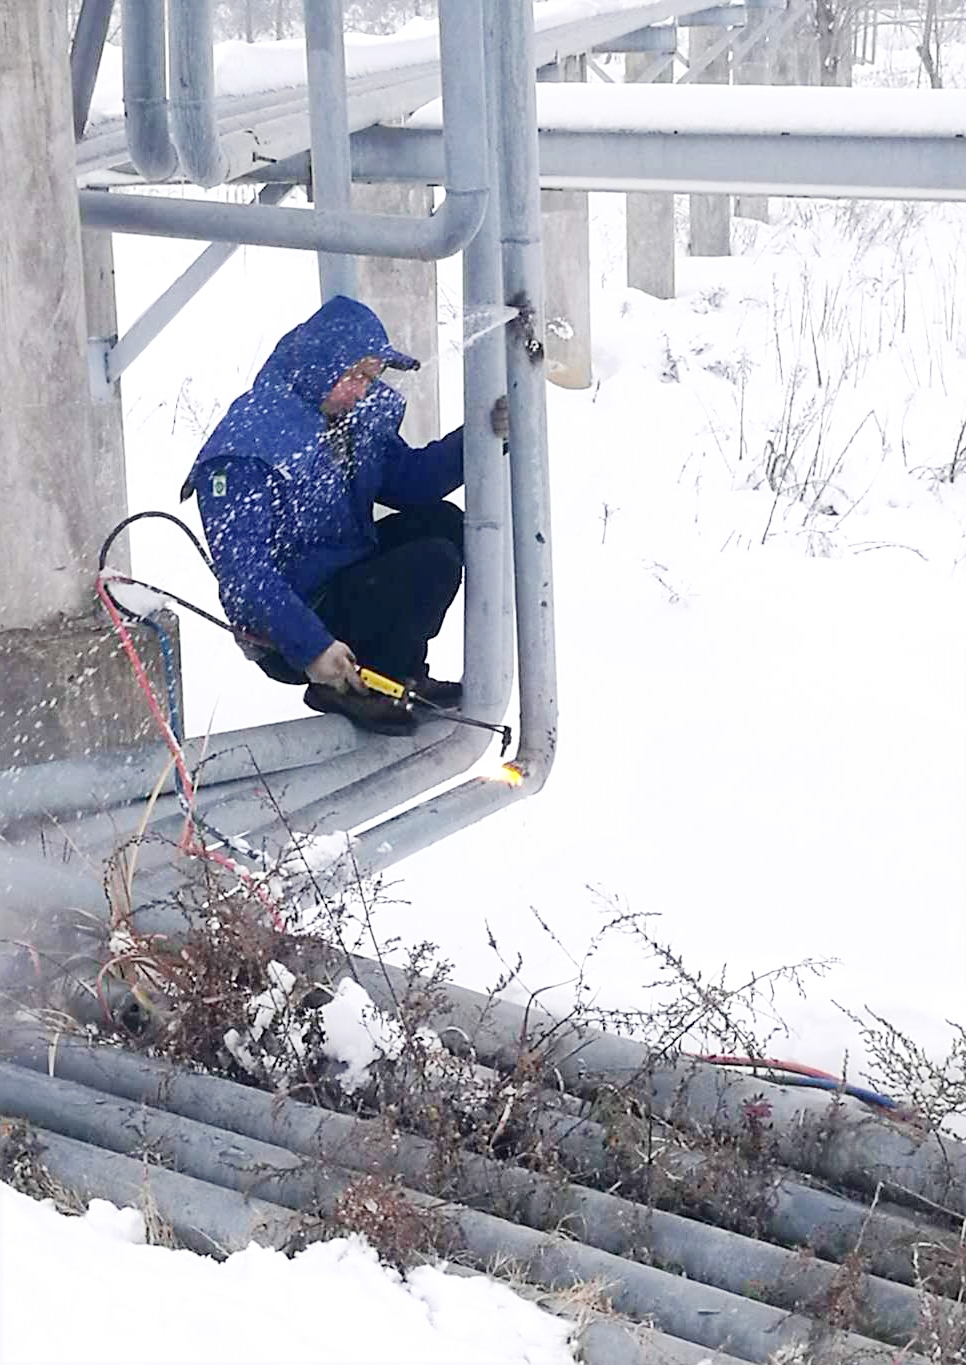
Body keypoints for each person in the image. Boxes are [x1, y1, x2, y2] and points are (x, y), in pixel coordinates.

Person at [180, 294, 508, 735]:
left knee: (443, 522)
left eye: (369, 378)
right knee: (432, 563)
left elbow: (413, 483)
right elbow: (245, 576)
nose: (361, 391)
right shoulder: (247, 446)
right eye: (353, 376)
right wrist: (312, 648)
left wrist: (482, 435)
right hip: (295, 625)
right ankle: (350, 688)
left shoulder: (346, 420)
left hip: (345, 580)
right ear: (319, 365)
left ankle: (398, 674)